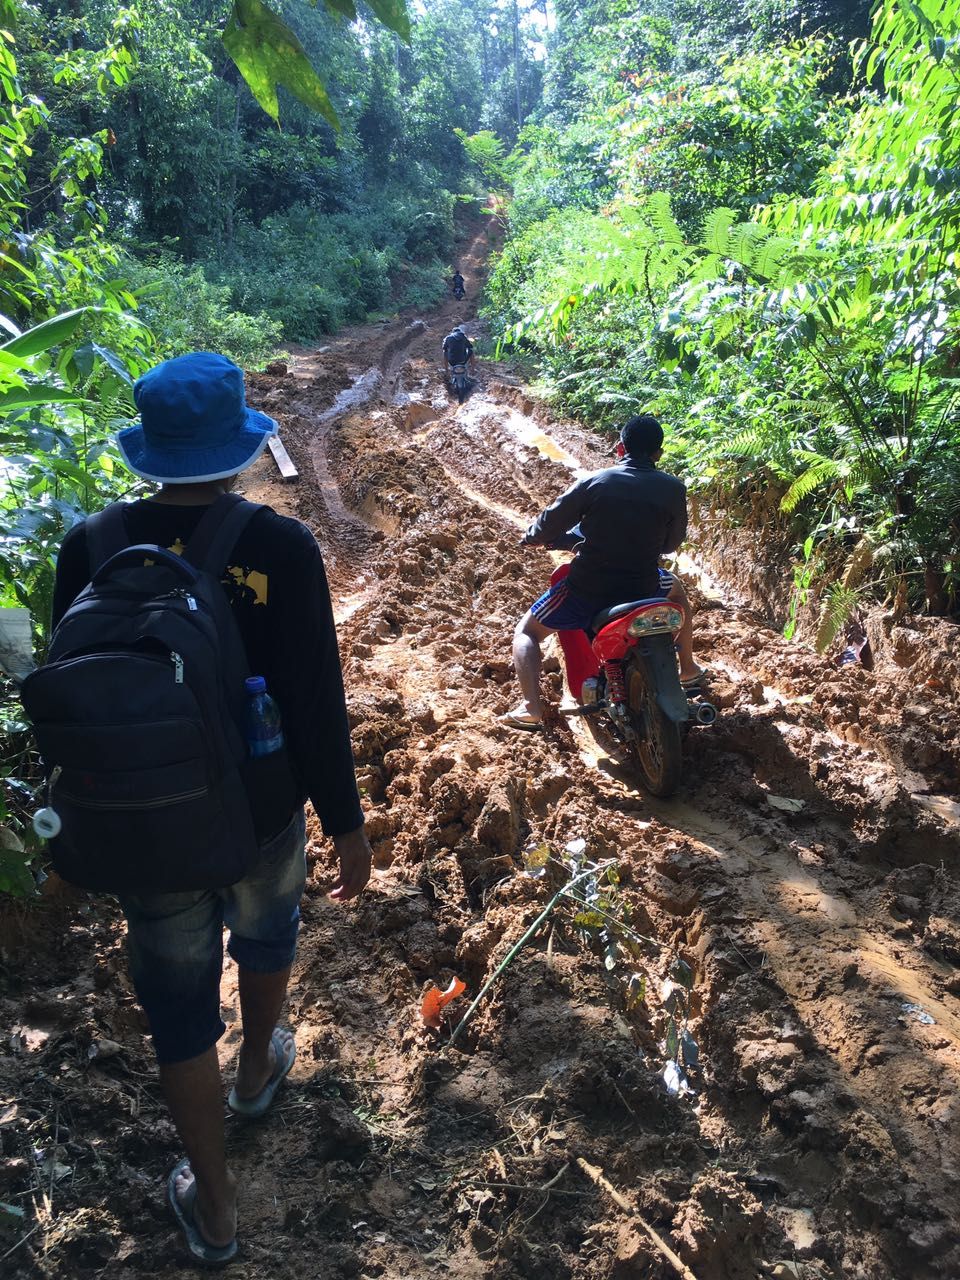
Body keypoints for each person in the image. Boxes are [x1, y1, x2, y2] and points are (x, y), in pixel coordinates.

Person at [50, 352, 372, 1264]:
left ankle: (217, 1207)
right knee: (267, 935)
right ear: (239, 447)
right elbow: (314, 700)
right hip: (264, 809)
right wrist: (345, 825)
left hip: (147, 822)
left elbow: (72, 697)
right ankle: (259, 1068)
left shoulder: (90, 545)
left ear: (147, 452)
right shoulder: (280, 548)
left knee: (177, 1004)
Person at [502, 413, 705, 730]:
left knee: (526, 632)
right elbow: (669, 545)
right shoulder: (674, 488)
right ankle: (688, 667)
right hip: (645, 587)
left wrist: (532, 537)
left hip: (587, 591)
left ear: (619, 448)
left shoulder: (595, 482)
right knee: (677, 589)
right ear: (658, 454)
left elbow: (548, 523)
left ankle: (531, 708)